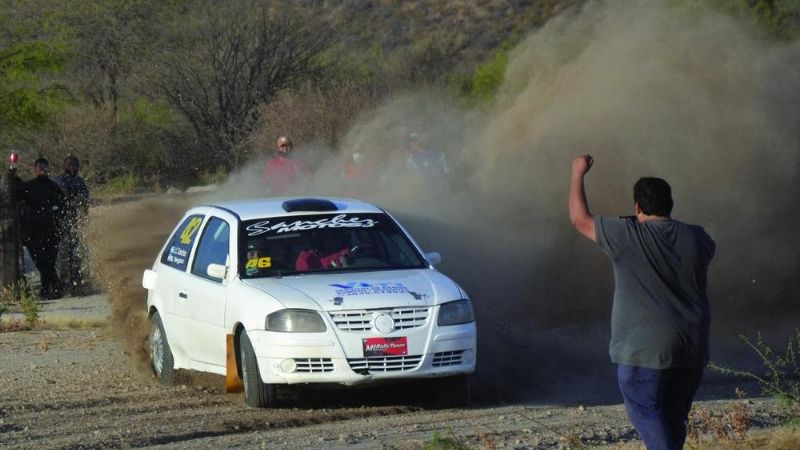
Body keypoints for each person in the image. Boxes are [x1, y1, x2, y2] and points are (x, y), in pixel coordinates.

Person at [568, 154, 715, 450]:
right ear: (670, 204)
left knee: (647, 412)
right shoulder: (698, 237)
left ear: (637, 207)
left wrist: (577, 173)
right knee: (673, 422)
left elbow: (579, 219)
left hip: (644, 351)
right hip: (692, 348)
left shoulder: (627, 235)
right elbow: (706, 252)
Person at [20, 158, 65, 299]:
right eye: (40, 167)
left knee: (50, 260)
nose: (43, 170)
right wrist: (12, 177)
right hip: (34, 230)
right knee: (40, 260)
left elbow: (63, 206)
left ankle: (47, 290)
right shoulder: (29, 186)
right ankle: (56, 286)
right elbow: (15, 193)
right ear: (35, 169)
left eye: (45, 167)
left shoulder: (54, 187)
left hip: (52, 229)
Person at [55, 155, 90, 295]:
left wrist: (83, 218)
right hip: (63, 222)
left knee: (77, 253)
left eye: (75, 165)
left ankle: (77, 283)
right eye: (70, 165)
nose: (72, 167)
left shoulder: (80, 182)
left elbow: (84, 202)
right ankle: (64, 284)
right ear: (65, 166)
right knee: (63, 253)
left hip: (76, 221)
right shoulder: (60, 180)